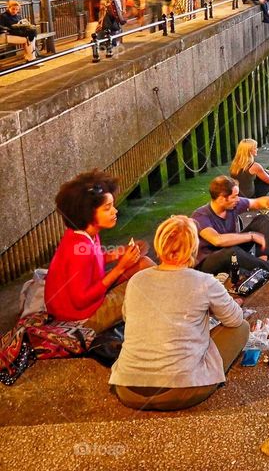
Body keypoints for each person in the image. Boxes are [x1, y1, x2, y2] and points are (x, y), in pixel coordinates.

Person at [109, 215, 250, 411]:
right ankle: (201, 373)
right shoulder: (204, 282)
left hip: (127, 388)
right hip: (180, 390)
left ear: (159, 243)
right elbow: (235, 320)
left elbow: (128, 318)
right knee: (241, 328)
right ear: (193, 247)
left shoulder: (136, 280)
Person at [44, 170, 153, 333]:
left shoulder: (83, 234)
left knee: (145, 263)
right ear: (88, 214)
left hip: (85, 300)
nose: (115, 211)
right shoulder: (78, 250)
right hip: (81, 317)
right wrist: (120, 268)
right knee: (149, 282)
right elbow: (81, 300)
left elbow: (92, 260)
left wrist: (118, 253)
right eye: (107, 208)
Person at [191, 175, 269, 275]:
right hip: (208, 262)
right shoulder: (200, 215)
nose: (238, 199)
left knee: (263, 220)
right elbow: (217, 240)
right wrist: (251, 236)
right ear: (221, 199)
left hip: (232, 249)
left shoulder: (233, 204)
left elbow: (256, 202)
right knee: (231, 251)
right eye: (234, 196)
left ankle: (261, 263)